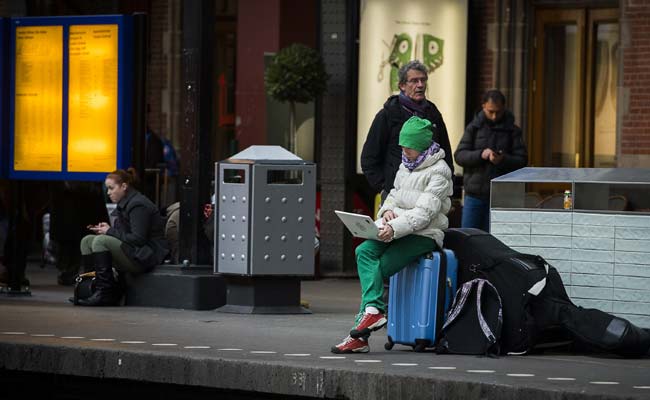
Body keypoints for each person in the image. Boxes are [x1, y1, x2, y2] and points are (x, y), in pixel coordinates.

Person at [331, 116, 453, 353]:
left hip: (424, 235)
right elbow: (394, 195)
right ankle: (373, 314)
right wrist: (387, 211)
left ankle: (360, 335)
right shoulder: (405, 165)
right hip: (396, 228)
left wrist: (394, 228)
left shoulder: (440, 171)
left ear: (421, 145)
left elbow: (424, 214)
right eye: (402, 146)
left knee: (379, 268)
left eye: (408, 146)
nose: (403, 151)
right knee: (363, 251)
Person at [361, 59, 454, 202]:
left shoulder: (433, 113)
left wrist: (446, 187)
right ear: (402, 85)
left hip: (428, 195)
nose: (420, 85)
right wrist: (385, 189)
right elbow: (369, 158)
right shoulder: (387, 114)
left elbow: (445, 152)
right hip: (396, 195)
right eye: (414, 81)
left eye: (423, 80)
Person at [76, 168, 169, 306]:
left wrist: (110, 232)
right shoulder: (125, 203)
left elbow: (138, 239)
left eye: (111, 188)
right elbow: (124, 234)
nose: (108, 193)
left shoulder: (138, 205)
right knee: (87, 241)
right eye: (107, 189)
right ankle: (91, 288)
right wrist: (107, 230)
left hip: (145, 256)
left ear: (124, 186)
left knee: (101, 241)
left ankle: (106, 294)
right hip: (133, 251)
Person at [454, 89, 528, 232]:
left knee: (496, 239)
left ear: (504, 108)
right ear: (483, 107)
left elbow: (522, 160)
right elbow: (459, 155)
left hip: (502, 196)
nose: (494, 116)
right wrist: (481, 154)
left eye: (498, 112)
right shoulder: (474, 128)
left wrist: (503, 159)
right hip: (475, 194)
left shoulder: (513, 130)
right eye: (490, 112)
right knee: (468, 237)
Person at [50, 181, 109, 285]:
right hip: (82, 204)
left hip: (74, 206)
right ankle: (78, 273)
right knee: (77, 239)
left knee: (73, 240)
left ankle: (72, 272)